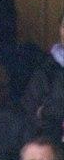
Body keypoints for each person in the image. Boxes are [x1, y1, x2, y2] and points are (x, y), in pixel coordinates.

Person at [21, 10, 64, 144]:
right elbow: (30, 112)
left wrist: (47, 110)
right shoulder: (45, 68)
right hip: (52, 144)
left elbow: (44, 111)